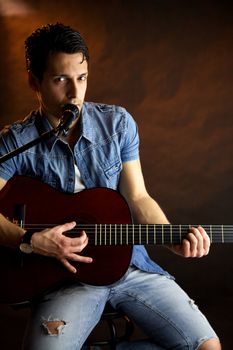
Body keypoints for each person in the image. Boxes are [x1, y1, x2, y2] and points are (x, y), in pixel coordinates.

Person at [0, 23, 221, 350]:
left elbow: (137, 196)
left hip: (131, 265)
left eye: (82, 78)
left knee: (207, 347)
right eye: (61, 80)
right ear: (35, 81)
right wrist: (31, 241)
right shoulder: (15, 141)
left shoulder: (117, 124)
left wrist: (170, 235)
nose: (75, 93)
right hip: (65, 280)